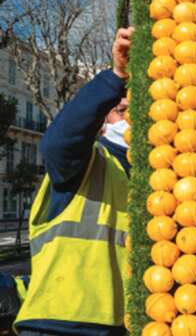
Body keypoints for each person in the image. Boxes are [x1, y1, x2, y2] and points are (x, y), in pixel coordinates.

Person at [13, 27, 134, 336]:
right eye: (121, 111)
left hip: (119, 327)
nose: (131, 120)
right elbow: (59, 142)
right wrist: (116, 76)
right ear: (104, 120)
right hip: (59, 324)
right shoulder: (85, 161)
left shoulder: (156, 176)